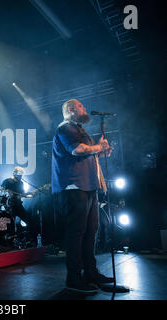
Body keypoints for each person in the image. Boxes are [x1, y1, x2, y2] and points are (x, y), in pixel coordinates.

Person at [52, 99, 114, 293]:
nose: (84, 109)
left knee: (90, 231)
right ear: (71, 110)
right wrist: (98, 148)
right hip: (73, 186)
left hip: (88, 186)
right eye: (81, 107)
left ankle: (90, 273)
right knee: (77, 233)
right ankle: (73, 279)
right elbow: (77, 150)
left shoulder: (79, 129)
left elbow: (87, 153)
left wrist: (100, 152)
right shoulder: (66, 128)